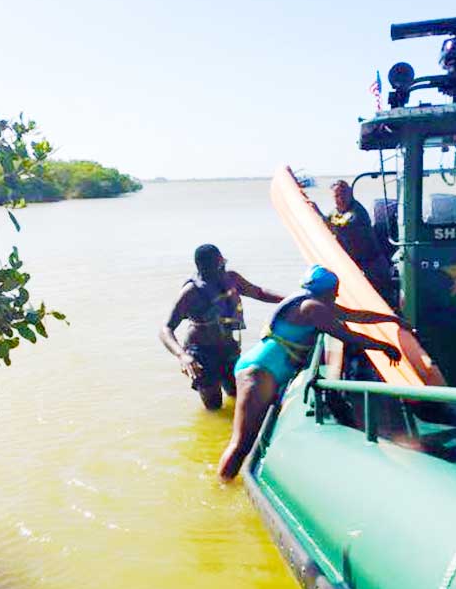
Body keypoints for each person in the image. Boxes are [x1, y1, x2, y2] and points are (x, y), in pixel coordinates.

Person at [217, 264, 405, 480]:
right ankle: (222, 487)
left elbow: (356, 316)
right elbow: (346, 335)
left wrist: (391, 320)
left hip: (264, 368)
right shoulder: (312, 308)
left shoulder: (313, 302)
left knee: (248, 441)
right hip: (259, 372)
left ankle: (229, 480)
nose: (337, 294)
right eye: (336, 289)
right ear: (326, 290)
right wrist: (384, 346)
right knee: (241, 444)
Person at [159, 244, 283, 411]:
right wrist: (182, 356)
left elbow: (259, 292)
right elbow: (166, 329)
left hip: (228, 347)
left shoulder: (232, 279)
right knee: (213, 406)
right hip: (202, 354)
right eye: (217, 264)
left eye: (221, 262)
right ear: (203, 267)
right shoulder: (191, 292)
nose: (222, 266)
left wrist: (290, 299)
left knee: (238, 394)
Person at [323, 180, 394, 305]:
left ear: (350, 193)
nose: (341, 198)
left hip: (372, 264)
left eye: (344, 193)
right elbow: (327, 225)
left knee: (382, 299)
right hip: (354, 265)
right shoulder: (334, 213)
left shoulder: (357, 212)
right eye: (337, 196)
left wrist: (318, 213)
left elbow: (341, 227)